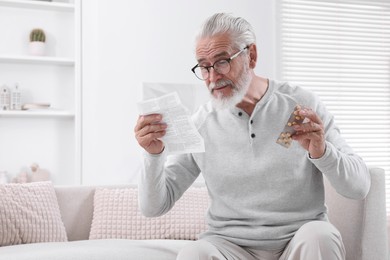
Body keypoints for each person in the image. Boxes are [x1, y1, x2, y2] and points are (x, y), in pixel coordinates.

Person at [134, 13, 370, 260]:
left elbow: (359, 187)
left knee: (320, 235)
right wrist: (153, 155)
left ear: (251, 55)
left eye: (222, 61)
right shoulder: (201, 124)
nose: (213, 77)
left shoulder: (301, 106)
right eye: (203, 66)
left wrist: (322, 153)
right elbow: (154, 207)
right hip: (230, 247)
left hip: (298, 241)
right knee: (194, 254)